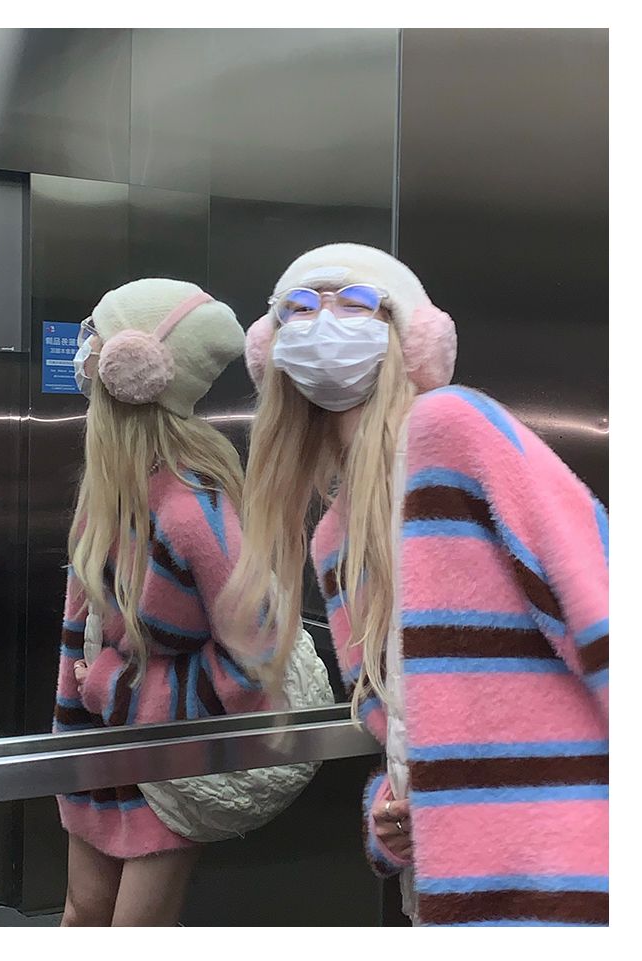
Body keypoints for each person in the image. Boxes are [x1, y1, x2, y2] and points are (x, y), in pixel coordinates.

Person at [221, 243, 609, 927]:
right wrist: (390, 813)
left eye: (356, 302)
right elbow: (398, 719)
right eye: (300, 308)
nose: (325, 321)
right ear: (270, 346)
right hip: (451, 883)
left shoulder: (452, 426)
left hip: (569, 869)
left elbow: (603, 609)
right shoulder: (334, 539)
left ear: (411, 336)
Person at [54, 278, 272, 926]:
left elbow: (254, 661)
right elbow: (82, 636)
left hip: (164, 763)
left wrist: (117, 690)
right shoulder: (109, 493)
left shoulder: (190, 509)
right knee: (83, 912)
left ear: (129, 367)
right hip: (96, 752)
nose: (83, 347)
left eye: (95, 333)